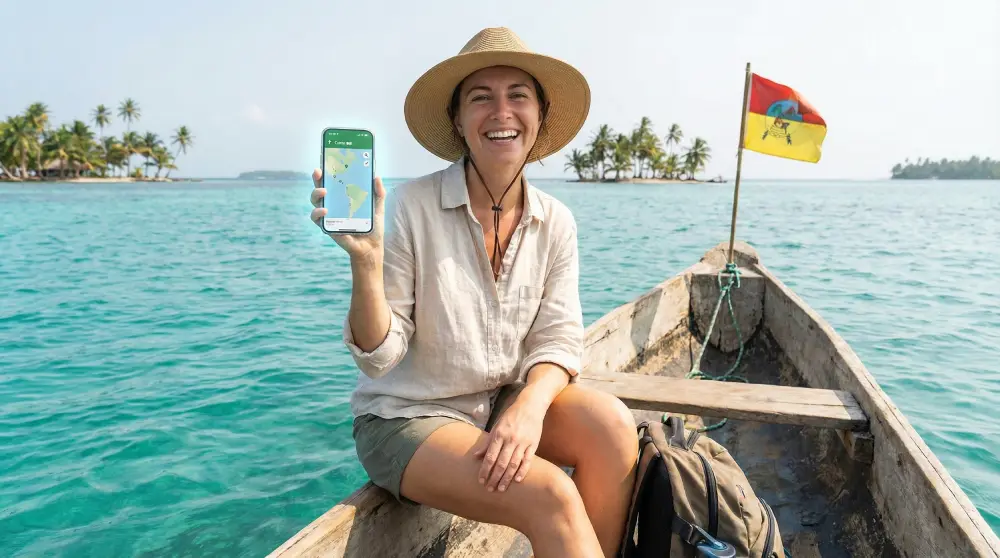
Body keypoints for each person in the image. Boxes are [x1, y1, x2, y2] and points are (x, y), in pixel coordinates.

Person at [309, 27, 638, 558]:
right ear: (460, 123)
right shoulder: (412, 207)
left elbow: (559, 338)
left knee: (613, 428)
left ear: (540, 116)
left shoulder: (556, 221)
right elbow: (379, 360)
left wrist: (529, 405)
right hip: (407, 417)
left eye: (518, 96)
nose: (501, 112)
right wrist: (366, 263)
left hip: (500, 401)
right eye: (481, 98)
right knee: (550, 494)